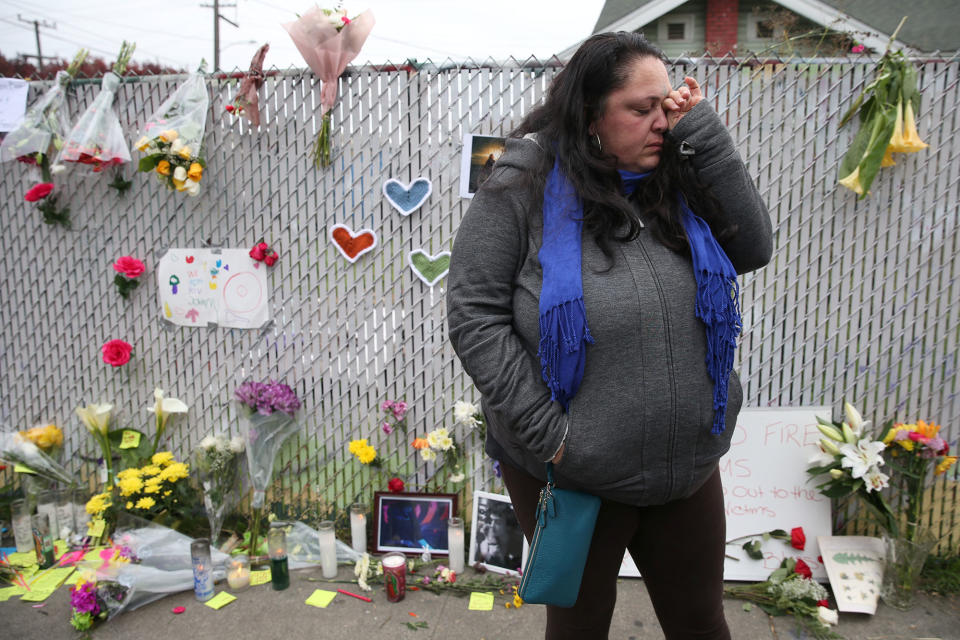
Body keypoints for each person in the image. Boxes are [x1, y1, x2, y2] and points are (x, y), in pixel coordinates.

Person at [447, 31, 772, 640]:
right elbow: (474, 313)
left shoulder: (675, 175)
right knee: (579, 628)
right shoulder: (520, 187)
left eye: (668, 106)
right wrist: (553, 436)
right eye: (640, 109)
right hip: (572, 473)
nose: (661, 124)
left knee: (701, 623)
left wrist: (702, 131)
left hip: (685, 464)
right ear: (591, 115)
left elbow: (751, 247)